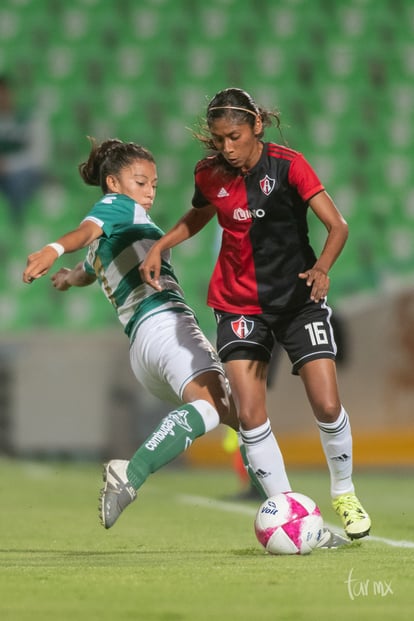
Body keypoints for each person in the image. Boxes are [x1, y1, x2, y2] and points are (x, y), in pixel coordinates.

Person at [139, 88, 371, 541]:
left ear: (256, 127)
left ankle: (344, 492)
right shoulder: (208, 174)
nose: (227, 147)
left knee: (325, 403)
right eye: (219, 138)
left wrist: (322, 268)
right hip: (237, 301)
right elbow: (201, 214)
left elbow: (337, 225)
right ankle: (288, 512)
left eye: (235, 136)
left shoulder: (289, 165)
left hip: (298, 299)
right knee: (248, 413)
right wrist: (162, 245)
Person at [22, 138, 247, 530]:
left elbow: (87, 267)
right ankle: (132, 471)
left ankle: (282, 503)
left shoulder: (118, 233)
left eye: (154, 185)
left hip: (144, 349)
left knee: (244, 418)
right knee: (217, 407)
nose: (149, 193)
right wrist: (53, 249)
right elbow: (85, 230)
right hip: (167, 324)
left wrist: (66, 279)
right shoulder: (117, 207)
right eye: (140, 182)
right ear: (113, 183)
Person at [0, 75, 48, 227]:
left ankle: (19, 228)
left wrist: (9, 165)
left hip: (24, 174)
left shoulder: (30, 118)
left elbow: (40, 156)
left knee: (19, 182)